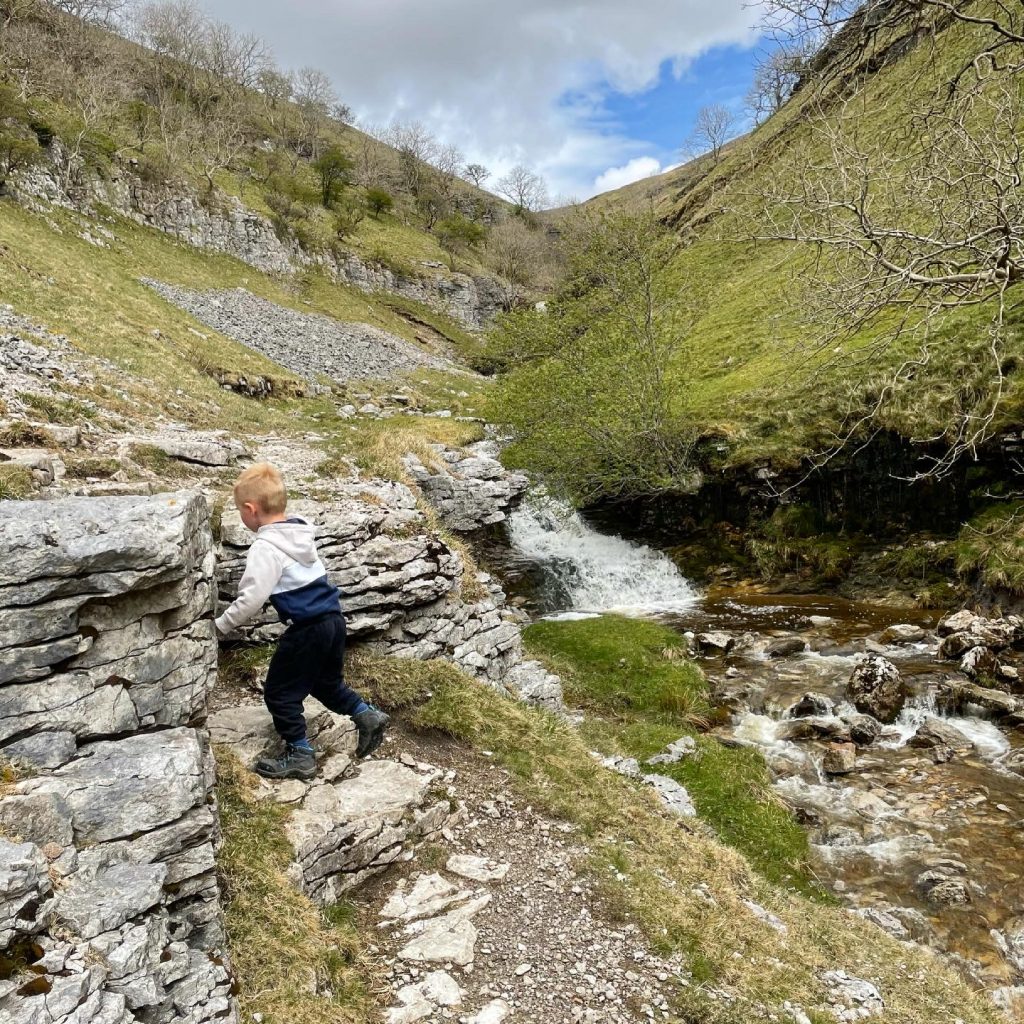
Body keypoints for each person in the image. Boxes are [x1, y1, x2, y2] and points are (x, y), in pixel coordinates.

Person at [215, 462, 389, 780]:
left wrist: (220, 626)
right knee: (325, 683)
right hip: (334, 621)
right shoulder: (299, 532)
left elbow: (251, 599)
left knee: (280, 693)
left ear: (251, 510)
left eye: (240, 510)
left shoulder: (266, 548)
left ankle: (300, 753)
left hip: (307, 629)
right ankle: (366, 714)